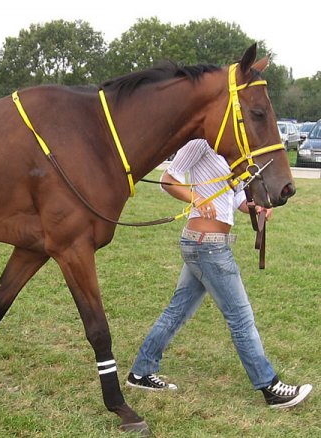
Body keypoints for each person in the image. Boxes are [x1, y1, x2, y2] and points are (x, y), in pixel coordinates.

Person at [126, 139, 312, 409]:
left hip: (209, 244)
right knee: (240, 317)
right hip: (206, 245)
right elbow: (169, 179)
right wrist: (197, 198)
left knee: (178, 311)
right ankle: (270, 386)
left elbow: (235, 199)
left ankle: (141, 371)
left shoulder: (229, 151)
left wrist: (256, 207)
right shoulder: (200, 143)